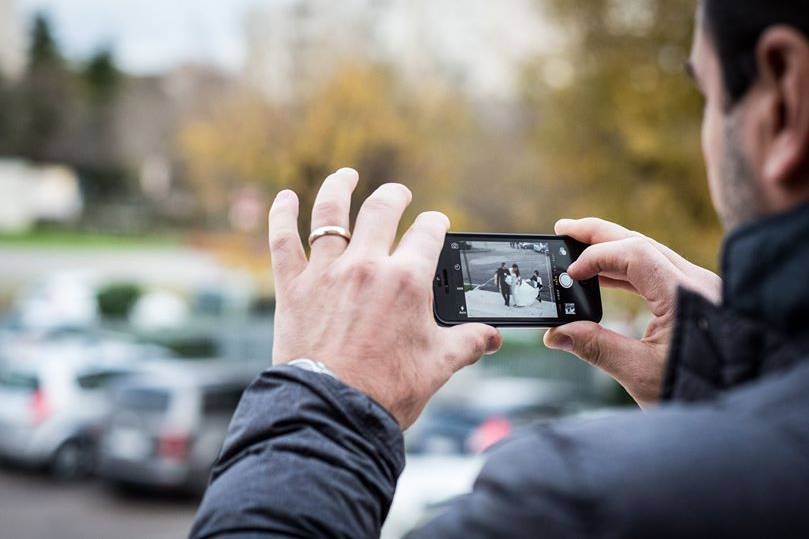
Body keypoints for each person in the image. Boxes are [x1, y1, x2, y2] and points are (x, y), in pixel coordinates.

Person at [191, 2, 809, 537]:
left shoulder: (582, 502)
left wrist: (324, 396)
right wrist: (739, 369)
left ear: (785, 96)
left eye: (705, 94)